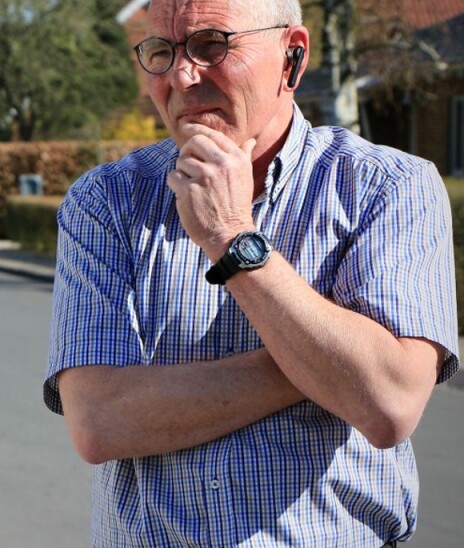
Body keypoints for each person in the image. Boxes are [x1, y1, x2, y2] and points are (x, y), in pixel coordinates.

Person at [43, 0, 460, 546]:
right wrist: (324, 366)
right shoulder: (105, 201)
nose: (182, 75)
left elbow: (387, 406)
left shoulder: (388, 188)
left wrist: (233, 239)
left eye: (211, 45)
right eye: (160, 51)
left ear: (292, 57)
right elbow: (99, 422)